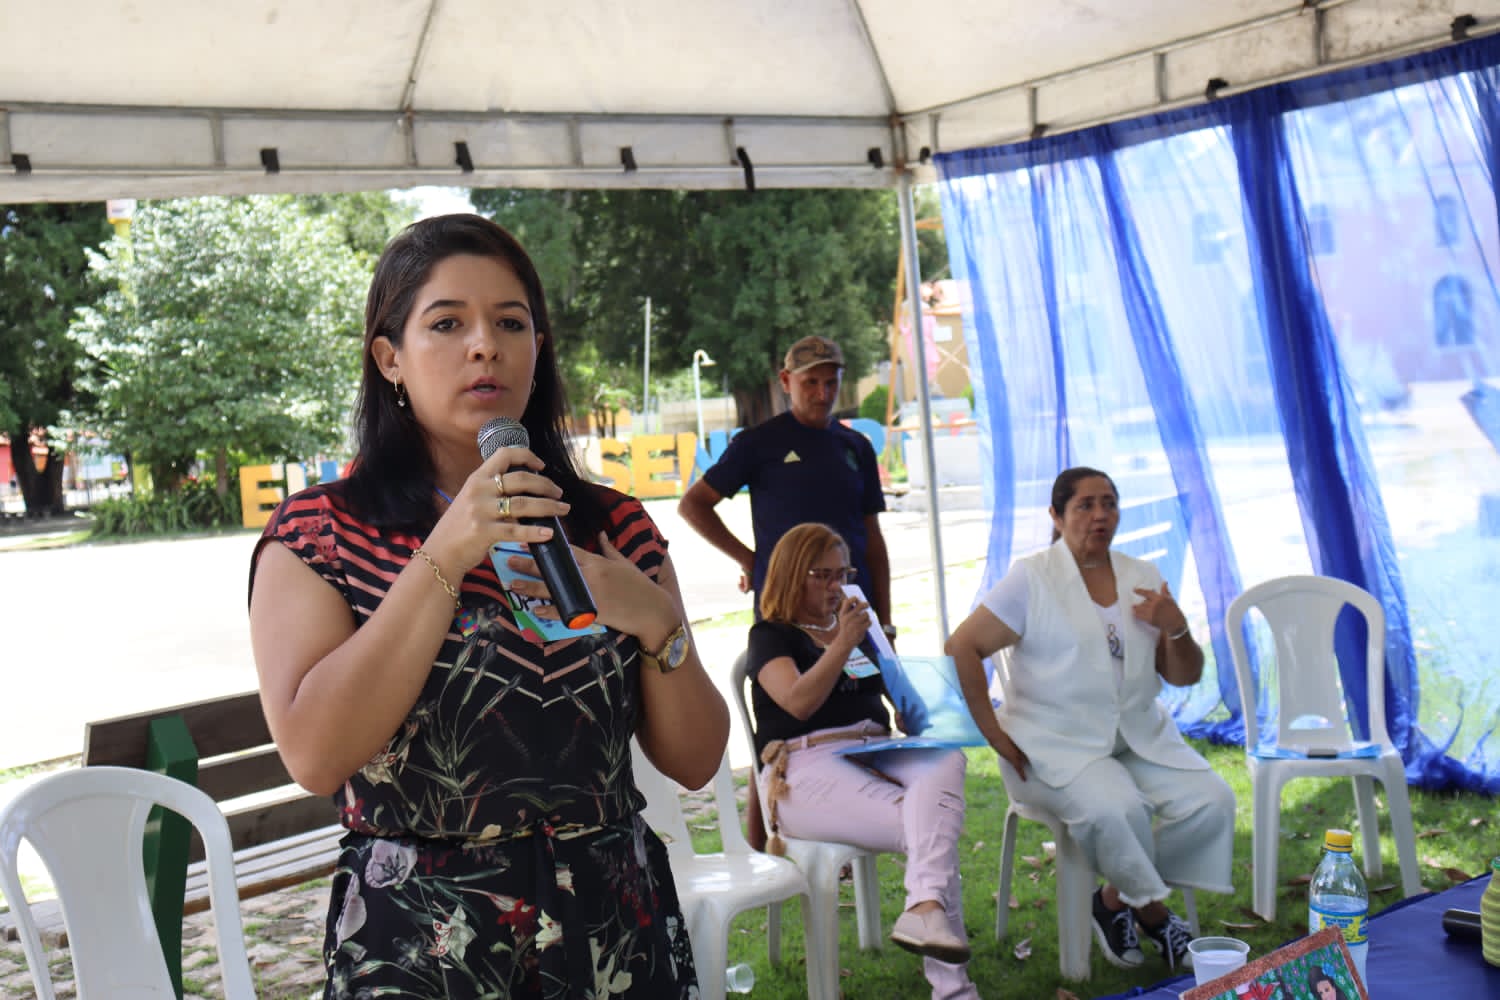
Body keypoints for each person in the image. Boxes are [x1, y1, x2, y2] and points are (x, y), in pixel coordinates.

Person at [248, 213, 729, 998]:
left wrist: (653, 620)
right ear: (389, 359)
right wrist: (445, 554)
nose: (486, 345)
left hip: (613, 934)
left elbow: (696, 759)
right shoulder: (321, 535)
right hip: (421, 944)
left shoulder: (614, 530)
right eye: (447, 323)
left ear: (538, 351)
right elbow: (315, 754)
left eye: (512, 323)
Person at [945, 467, 1235, 973]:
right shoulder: (1032, 578)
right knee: (1117, 810)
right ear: (1056, 516)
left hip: (1138, 736)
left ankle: (1112, 901)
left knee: (1212, 802)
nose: (1100, 515)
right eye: (1085, 505)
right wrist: (993, 733)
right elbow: (962, 647)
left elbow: (1183, 675)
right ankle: (1153, 912)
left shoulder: (1141, 575)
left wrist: (1177, 627)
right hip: (1054, 743)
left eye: (1109, 503)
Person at [747, 522, 979, 1000]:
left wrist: (889, 658)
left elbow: (906, 709)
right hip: (804, 765)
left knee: (946, 760)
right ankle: (952, 987)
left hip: (875, 749)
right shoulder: (771, 635)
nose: (836, 586)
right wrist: (843, 643)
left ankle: (924, 909)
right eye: (823, 576)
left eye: (842, 574)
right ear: (793, 575)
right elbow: (797, 702)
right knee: (930, 828)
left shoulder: (854, 631)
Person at [679, 334, 893, 849]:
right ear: (785, 383)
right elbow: (694, 505)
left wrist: (884, 620)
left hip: (849, 602)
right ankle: (763, 851)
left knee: (855, 709)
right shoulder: (760, 443)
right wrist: (750, 559)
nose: (821, 393)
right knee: (776, 727)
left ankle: (846, 828)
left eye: (830, 381)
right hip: (783, 611)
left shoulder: (856, 447)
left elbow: (873, 537)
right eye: (810, 382)